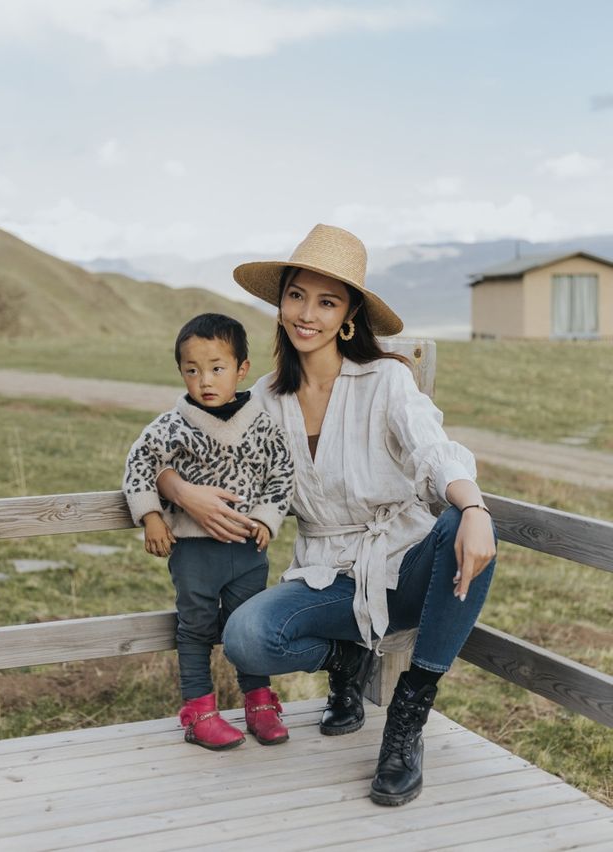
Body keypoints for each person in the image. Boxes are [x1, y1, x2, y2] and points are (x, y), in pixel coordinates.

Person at [157, 225, 497, 806]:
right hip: (325, 573)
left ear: (348, 316)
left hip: (403, 564)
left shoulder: (386, 379)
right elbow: (180, 443)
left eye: (327, 301)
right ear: (280, 303)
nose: (306, 313)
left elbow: (433, 447)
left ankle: (408, 716)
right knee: (246, 637)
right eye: (296, 296)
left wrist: (474, 506)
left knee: (461, 527)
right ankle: (348, 659)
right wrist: (177, 490)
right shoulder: (261, 399)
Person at [123, 313, 294, 751]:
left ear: (241, 369)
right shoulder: (170, 426)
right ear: (181, 372)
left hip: (247, 548)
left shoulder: (262, 425)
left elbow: (282, 474)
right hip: (194, 552)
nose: (205, 380)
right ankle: (199, 714)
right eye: (192, 370)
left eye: (217, 368)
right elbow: (140, 464)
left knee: (248, 626)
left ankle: (259, 703)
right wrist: (152, 516)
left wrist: (265, 519)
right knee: (195, 627)